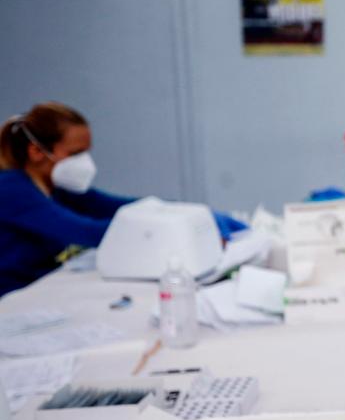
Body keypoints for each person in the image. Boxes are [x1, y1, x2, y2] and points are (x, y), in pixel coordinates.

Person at [0, 103, 246, 297]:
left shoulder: (58, 187)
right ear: (36, 152)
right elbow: (86, 232)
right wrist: (175, 229)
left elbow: (122, 207)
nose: (84, 162)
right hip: (11, 297)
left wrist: (190, 214)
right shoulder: (12, 189)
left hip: (39, 287)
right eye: (75, 154)